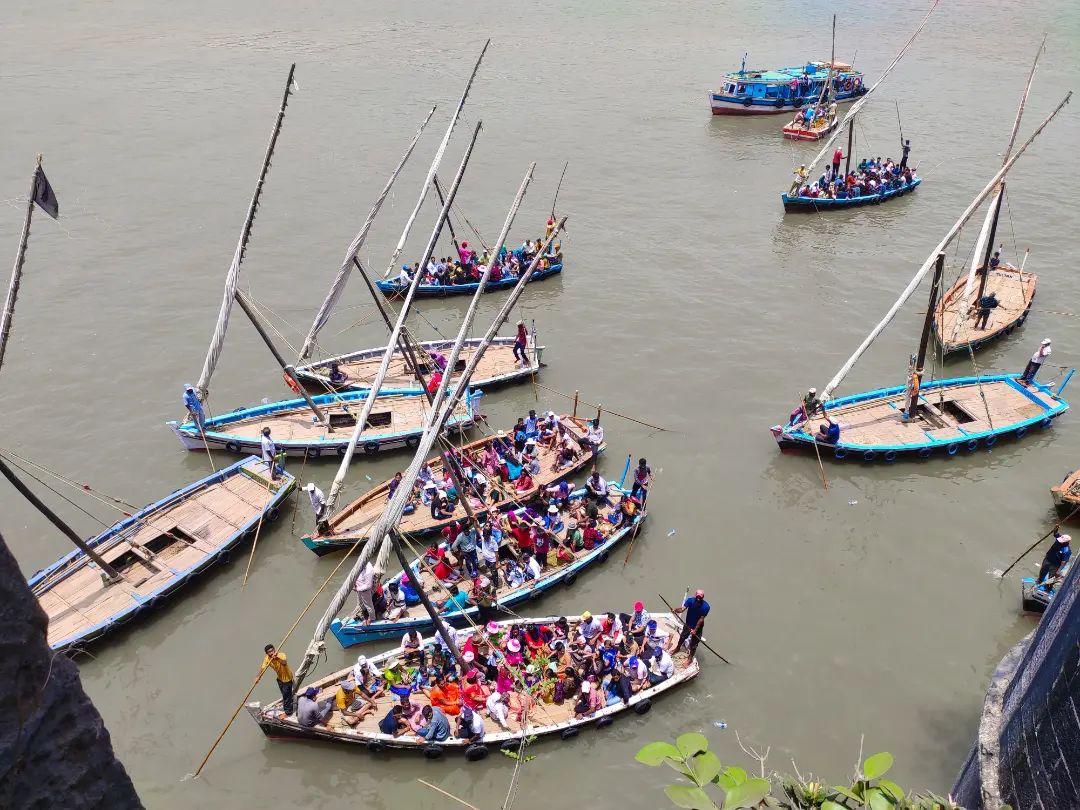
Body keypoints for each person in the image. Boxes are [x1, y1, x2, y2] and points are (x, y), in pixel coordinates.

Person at [672, 589, 711, 657]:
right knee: (682, 637)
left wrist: (695, 630)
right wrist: (675, 610)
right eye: (697, 596)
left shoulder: (706, 607)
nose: (698, 598)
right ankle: (677, 648)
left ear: (703, 597)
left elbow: (701, 619)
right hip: (688, 624)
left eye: (700, 597)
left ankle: (690, 658)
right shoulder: (690, 600)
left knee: (693, 645)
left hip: (698, 628)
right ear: (695, 595)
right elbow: (682, 609)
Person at [262, 644, 295, 715]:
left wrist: (276, 658)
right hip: (280, 679)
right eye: (269, 652)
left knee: (286, 696)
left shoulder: (281, 655)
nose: (271, 653)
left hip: (287, 679)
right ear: (267, 653)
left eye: (272, 650)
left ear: (275, 650)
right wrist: (258, 677)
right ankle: (289, 701)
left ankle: (288, 712)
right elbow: (263, 668)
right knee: (285, 694)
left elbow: (284, 663)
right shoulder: (267, 659)